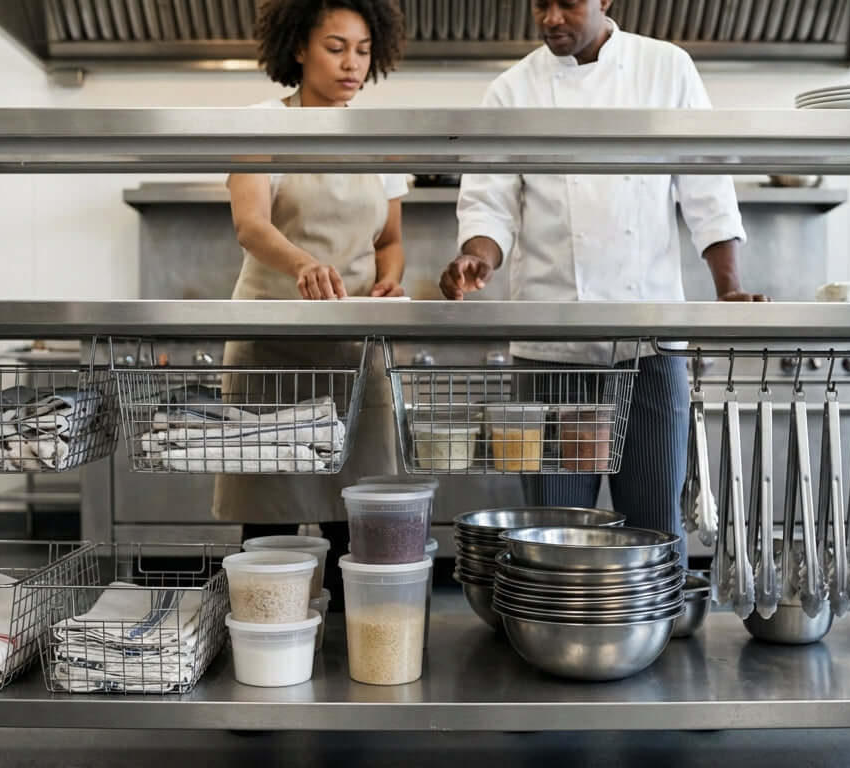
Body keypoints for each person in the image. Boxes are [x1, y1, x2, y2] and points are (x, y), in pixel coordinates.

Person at [441, 0, 767, 543]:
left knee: (654, 523)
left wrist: (728, 289)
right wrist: (478, 257)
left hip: (651, 347)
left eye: (566, 3)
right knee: (551, 530)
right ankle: (554, 625)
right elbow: (489, 206)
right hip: (551, 350)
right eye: (539, 4)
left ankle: (651, 627)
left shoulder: (666, 68)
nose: (550, 18)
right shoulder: (511, 90)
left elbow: (707, 189)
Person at [212, 0, 406, 600]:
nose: (353, 63)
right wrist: (303, 264)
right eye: (336, 46)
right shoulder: (262, 124)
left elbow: (391, 239)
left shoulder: (379, 139)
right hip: (272, 352)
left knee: (355, 527)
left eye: (363, 49)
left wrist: (389, 279)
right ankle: (266, 644)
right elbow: (251, 224)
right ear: (299, 48)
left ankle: (354, 652)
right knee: (266, 528)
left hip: (353, 357)